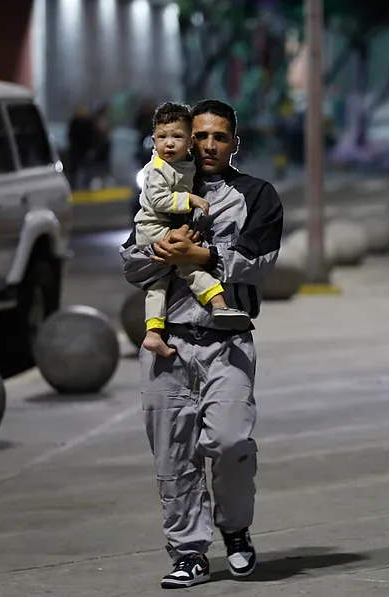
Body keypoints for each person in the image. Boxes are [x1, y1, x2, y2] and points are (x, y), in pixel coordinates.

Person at [119, 99, 284, 589]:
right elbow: (131, 264)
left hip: (226, 342)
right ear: (187, 139)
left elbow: (260, 263)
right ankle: (189, 551)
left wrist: (204, 254)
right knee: (173, 458)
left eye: (220, 137)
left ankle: (235, 529)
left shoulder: (256, 194)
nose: (209, 145)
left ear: (234, 142)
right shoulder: (160, 187)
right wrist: (159, 251)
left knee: (231, 442)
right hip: (166, 343)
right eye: (201, 136)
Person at [134, 101, 251, 358]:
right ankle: (218, 303)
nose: (169, 144)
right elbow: (159, 201)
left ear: (189, 143)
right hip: (154, 229)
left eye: (177, 137)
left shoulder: (187, 164)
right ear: (153, 140)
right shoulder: (157, 169)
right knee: (188, 265)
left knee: (158, 285)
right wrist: (190, 200)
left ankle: (153, 333)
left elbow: (255, 260)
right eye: (162, 137)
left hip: (162, 228)